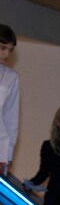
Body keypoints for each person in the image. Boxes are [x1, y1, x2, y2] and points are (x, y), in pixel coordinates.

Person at [0, 25, 20, 178]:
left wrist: (7, 156)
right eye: (2, 48)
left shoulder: (11, 77)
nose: (6, 54)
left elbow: (11, 120)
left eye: (10, 50)